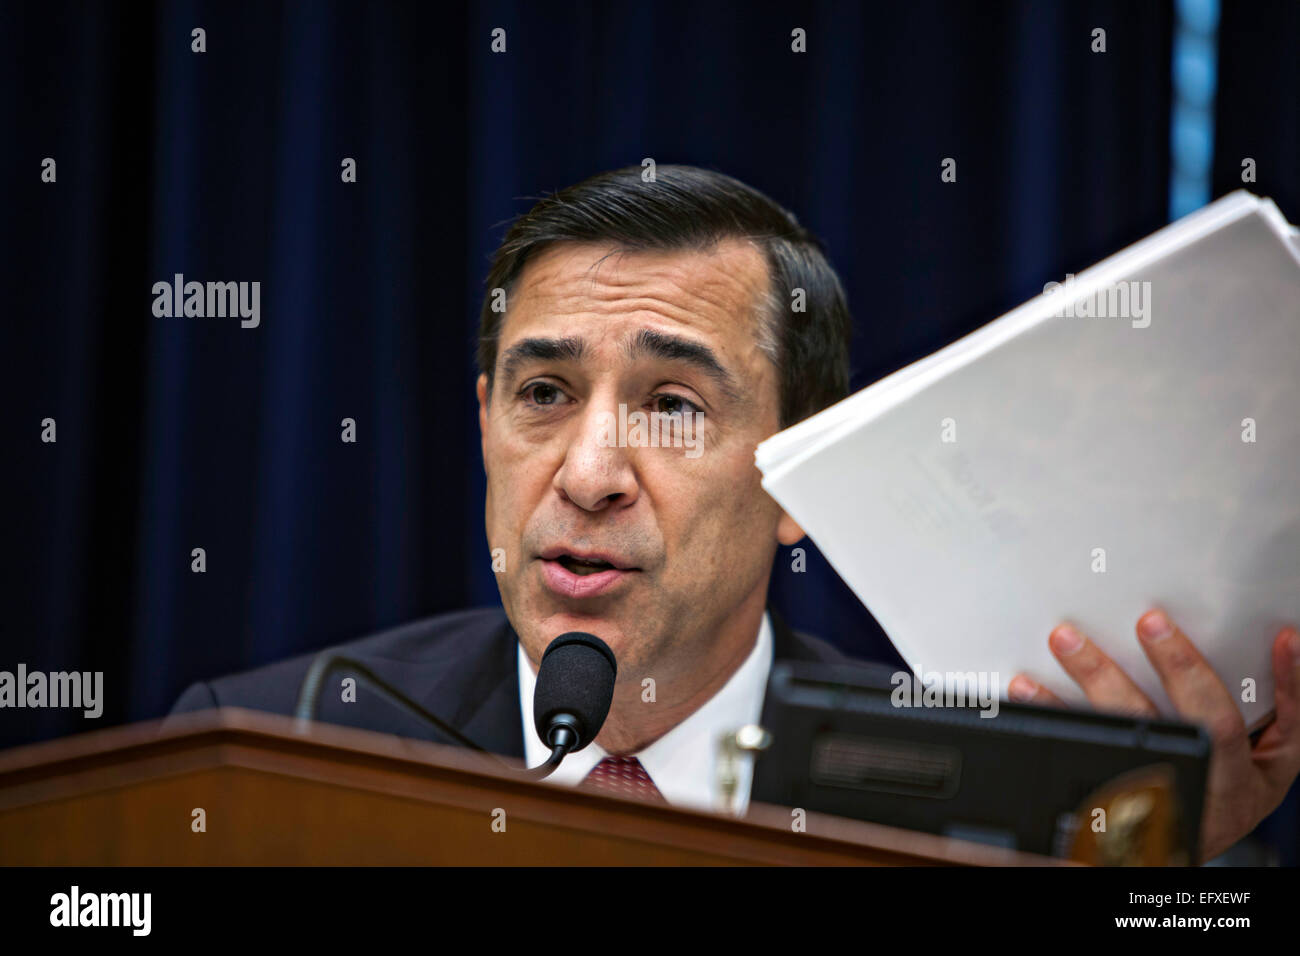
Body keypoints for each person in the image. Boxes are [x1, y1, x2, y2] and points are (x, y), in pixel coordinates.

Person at [171, 165, 1300, 860]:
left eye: (672, 404)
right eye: (544, 394)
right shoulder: (280, 738)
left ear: (796, 477)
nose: (588, 471)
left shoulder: (1007, 800)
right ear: (484, 422)